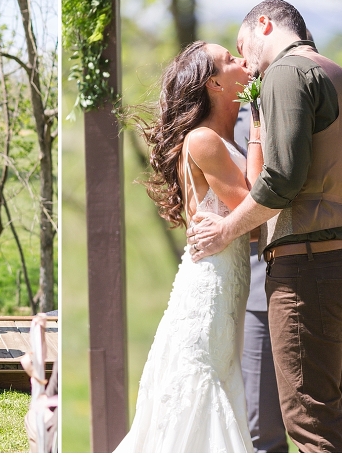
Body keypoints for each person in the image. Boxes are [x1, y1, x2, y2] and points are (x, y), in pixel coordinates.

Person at [188, 0, 342, 452]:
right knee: (332, 418)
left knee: (309, 425)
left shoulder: (286, 73)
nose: (245, 62)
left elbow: (283, 179)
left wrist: (226, 230)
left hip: (306, 272)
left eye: (241, 46)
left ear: (264, 24)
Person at [114, 40, 261, 452]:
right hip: (210, 289)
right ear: (214, 81)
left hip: (228, 281)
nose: (242, 62)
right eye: (230, 60)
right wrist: (263, 124)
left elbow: (246, 223)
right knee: (200, 388)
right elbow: (255, 203)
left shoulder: (226, 135)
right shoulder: (203, 140)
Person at [236, 104, 342, 453]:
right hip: (259, 292)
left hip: (333, 285)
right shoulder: (236, 119)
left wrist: (324, 215)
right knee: (261, 428)